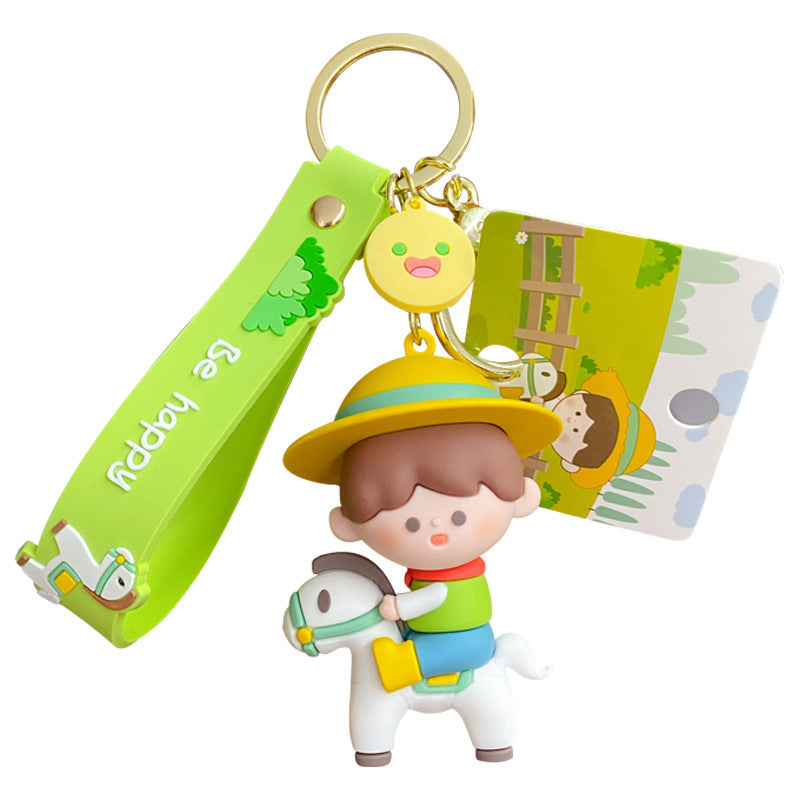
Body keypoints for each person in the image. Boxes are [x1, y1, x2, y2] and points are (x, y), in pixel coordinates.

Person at [283, 332, 562, 692]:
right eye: (411, 523)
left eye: (459, 517)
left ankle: (405, 669)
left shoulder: (447, 581)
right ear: (347, 523)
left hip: (465, 642)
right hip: (426, 633)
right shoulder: (423, 574)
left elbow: (438, 596)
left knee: (404, 663)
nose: (437, 526)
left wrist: (400, 608)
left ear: (522, 497)